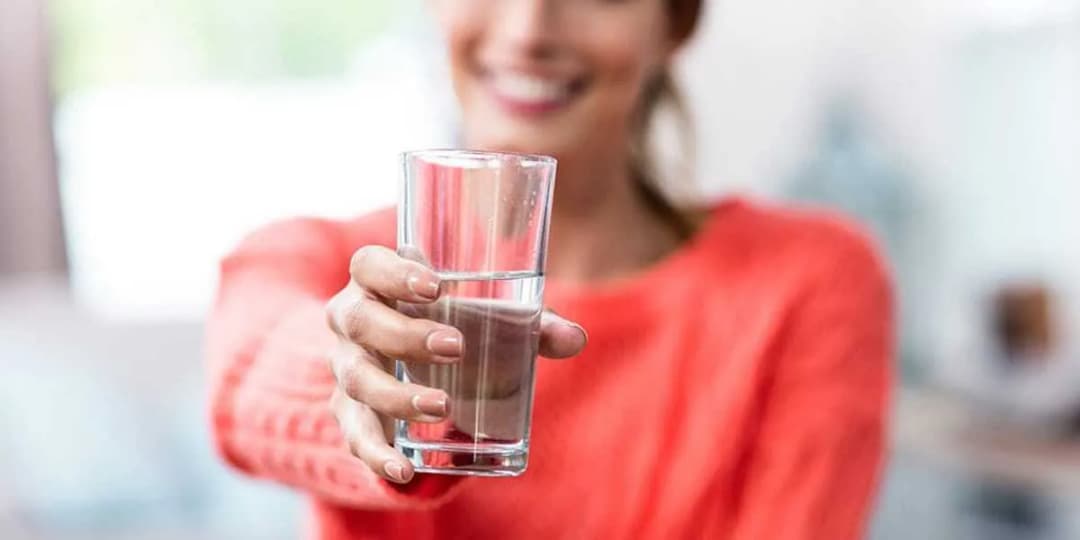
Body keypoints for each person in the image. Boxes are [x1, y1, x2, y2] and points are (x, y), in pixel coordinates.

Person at [206, 0, 894, 538]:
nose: (529, 30)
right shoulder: (322, 262)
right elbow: (248, 373)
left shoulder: (808, 280)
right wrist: (357, 375)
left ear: (675, 22)